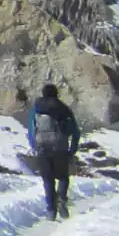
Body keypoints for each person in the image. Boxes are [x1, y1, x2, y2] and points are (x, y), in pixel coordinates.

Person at [27, 83, 80, 219]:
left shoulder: (36, 110)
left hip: (42, 148)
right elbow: (75, 131)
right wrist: (72, 150)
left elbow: (31, 130)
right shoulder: (63, 109)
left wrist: (35, 147)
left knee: (47, 180)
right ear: (57, 94)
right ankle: (62, 198)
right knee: (63, 177)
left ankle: (51, 210)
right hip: (60, 147)